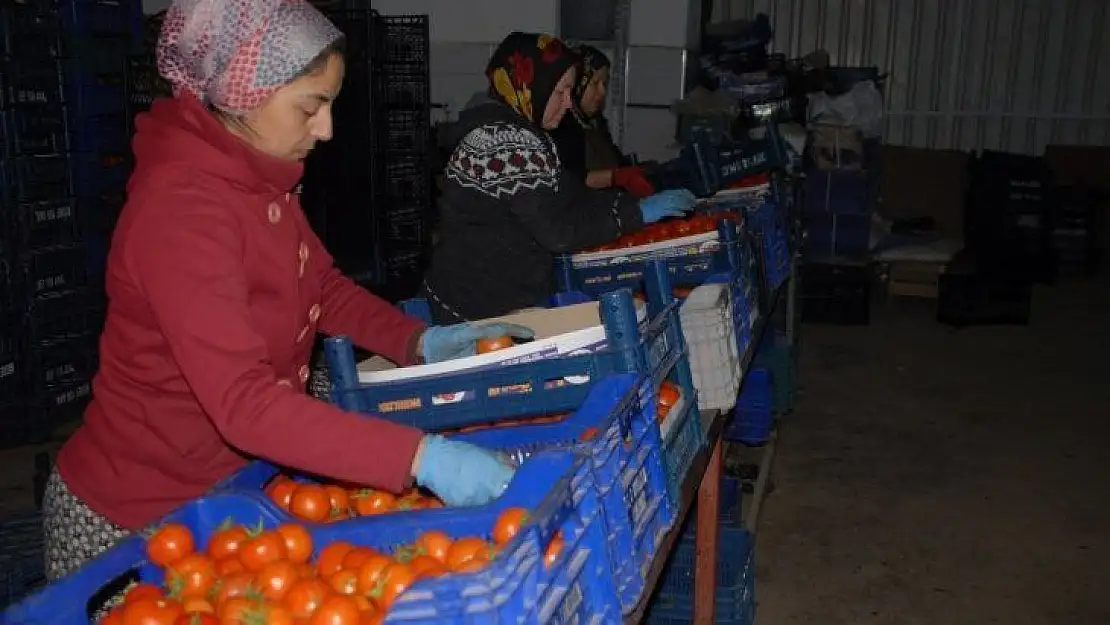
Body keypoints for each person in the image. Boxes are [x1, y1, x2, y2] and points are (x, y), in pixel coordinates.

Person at [45, 0, 529, 581]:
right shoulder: (183, 214)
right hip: (136, 517)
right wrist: (416, 457)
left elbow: (321, 286)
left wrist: (418, 342)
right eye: (311, 106)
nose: (325, 129)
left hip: (224, 492)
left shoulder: (258, 179)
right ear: (243, 91)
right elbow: (245, 406)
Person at [421, 32, 696, 324]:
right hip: (477, 310)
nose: (567, 103)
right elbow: (559, 231)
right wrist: (635, 212)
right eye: (560, 91)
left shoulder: (514, 131)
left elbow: (567, 195)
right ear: (531, 86)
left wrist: (626, 205)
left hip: (490, 299)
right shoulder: (507, 142)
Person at [549, 45, 657, 198]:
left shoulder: (595, 121)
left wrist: (640, 170)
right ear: (577, 84)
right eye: (595, 83)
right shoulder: (561, 125)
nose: (602, 92)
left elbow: (614, 160)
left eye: (604, 84)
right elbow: (571, 179)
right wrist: (616, 177)